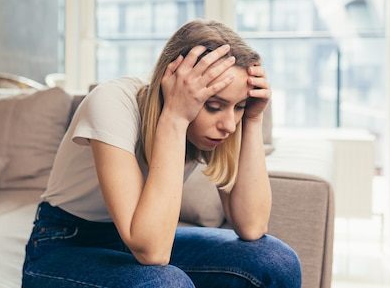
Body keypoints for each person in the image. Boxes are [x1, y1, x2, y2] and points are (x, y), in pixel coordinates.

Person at [22, 19, 301, 288]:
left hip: (142, 235)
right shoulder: (113, 102)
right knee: (165, 283)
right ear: (174, 90)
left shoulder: (224, 126)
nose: (228, 125)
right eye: (214, 106)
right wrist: (175, 117)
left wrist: (253, 120)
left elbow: (251, 226)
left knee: (276, 261)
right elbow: (152, 252)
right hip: (65, 242)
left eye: (238, 106)